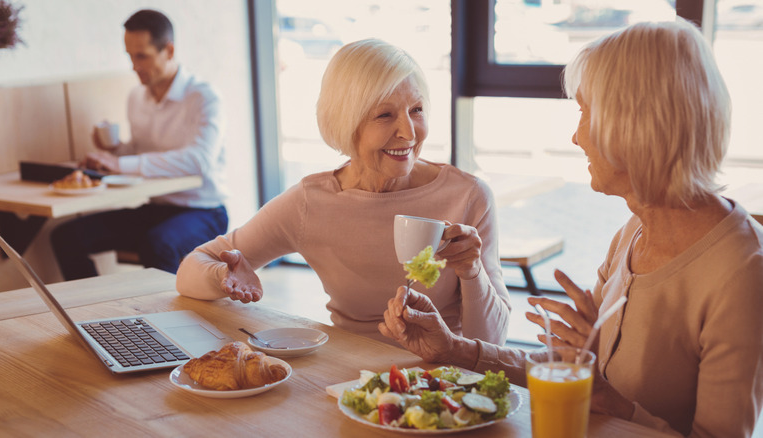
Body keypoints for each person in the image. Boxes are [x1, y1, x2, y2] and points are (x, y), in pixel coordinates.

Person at [378, 19, 763, 437]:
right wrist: (453, 349)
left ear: (633, 124)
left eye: (584, 112)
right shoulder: (635, 230)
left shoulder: (742, 273)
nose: (576, 137)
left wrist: (610, 402)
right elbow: (567, 375)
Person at [176, 39, 511, 346]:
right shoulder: (311, 202)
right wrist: (224, 275)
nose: (408, 132)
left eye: (417, 110)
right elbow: (190, 271)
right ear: (347, 122)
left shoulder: (468, 196)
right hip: (350, 382)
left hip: (442, 381)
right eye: (385, 114)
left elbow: (493, 343)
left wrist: (472, 272)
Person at [51, 9, 229, 280]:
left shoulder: (204, 98)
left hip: (203, 211)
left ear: (168, 51)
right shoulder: (136, 97)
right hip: (156, 208)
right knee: (67, 237)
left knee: (158, 244)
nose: (134, 65)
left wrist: (120, 163)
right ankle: (97, 313)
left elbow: (199, 161)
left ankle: (163, 320)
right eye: (130, 56)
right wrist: (113, 152)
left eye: (141, 56)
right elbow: (140, 154)